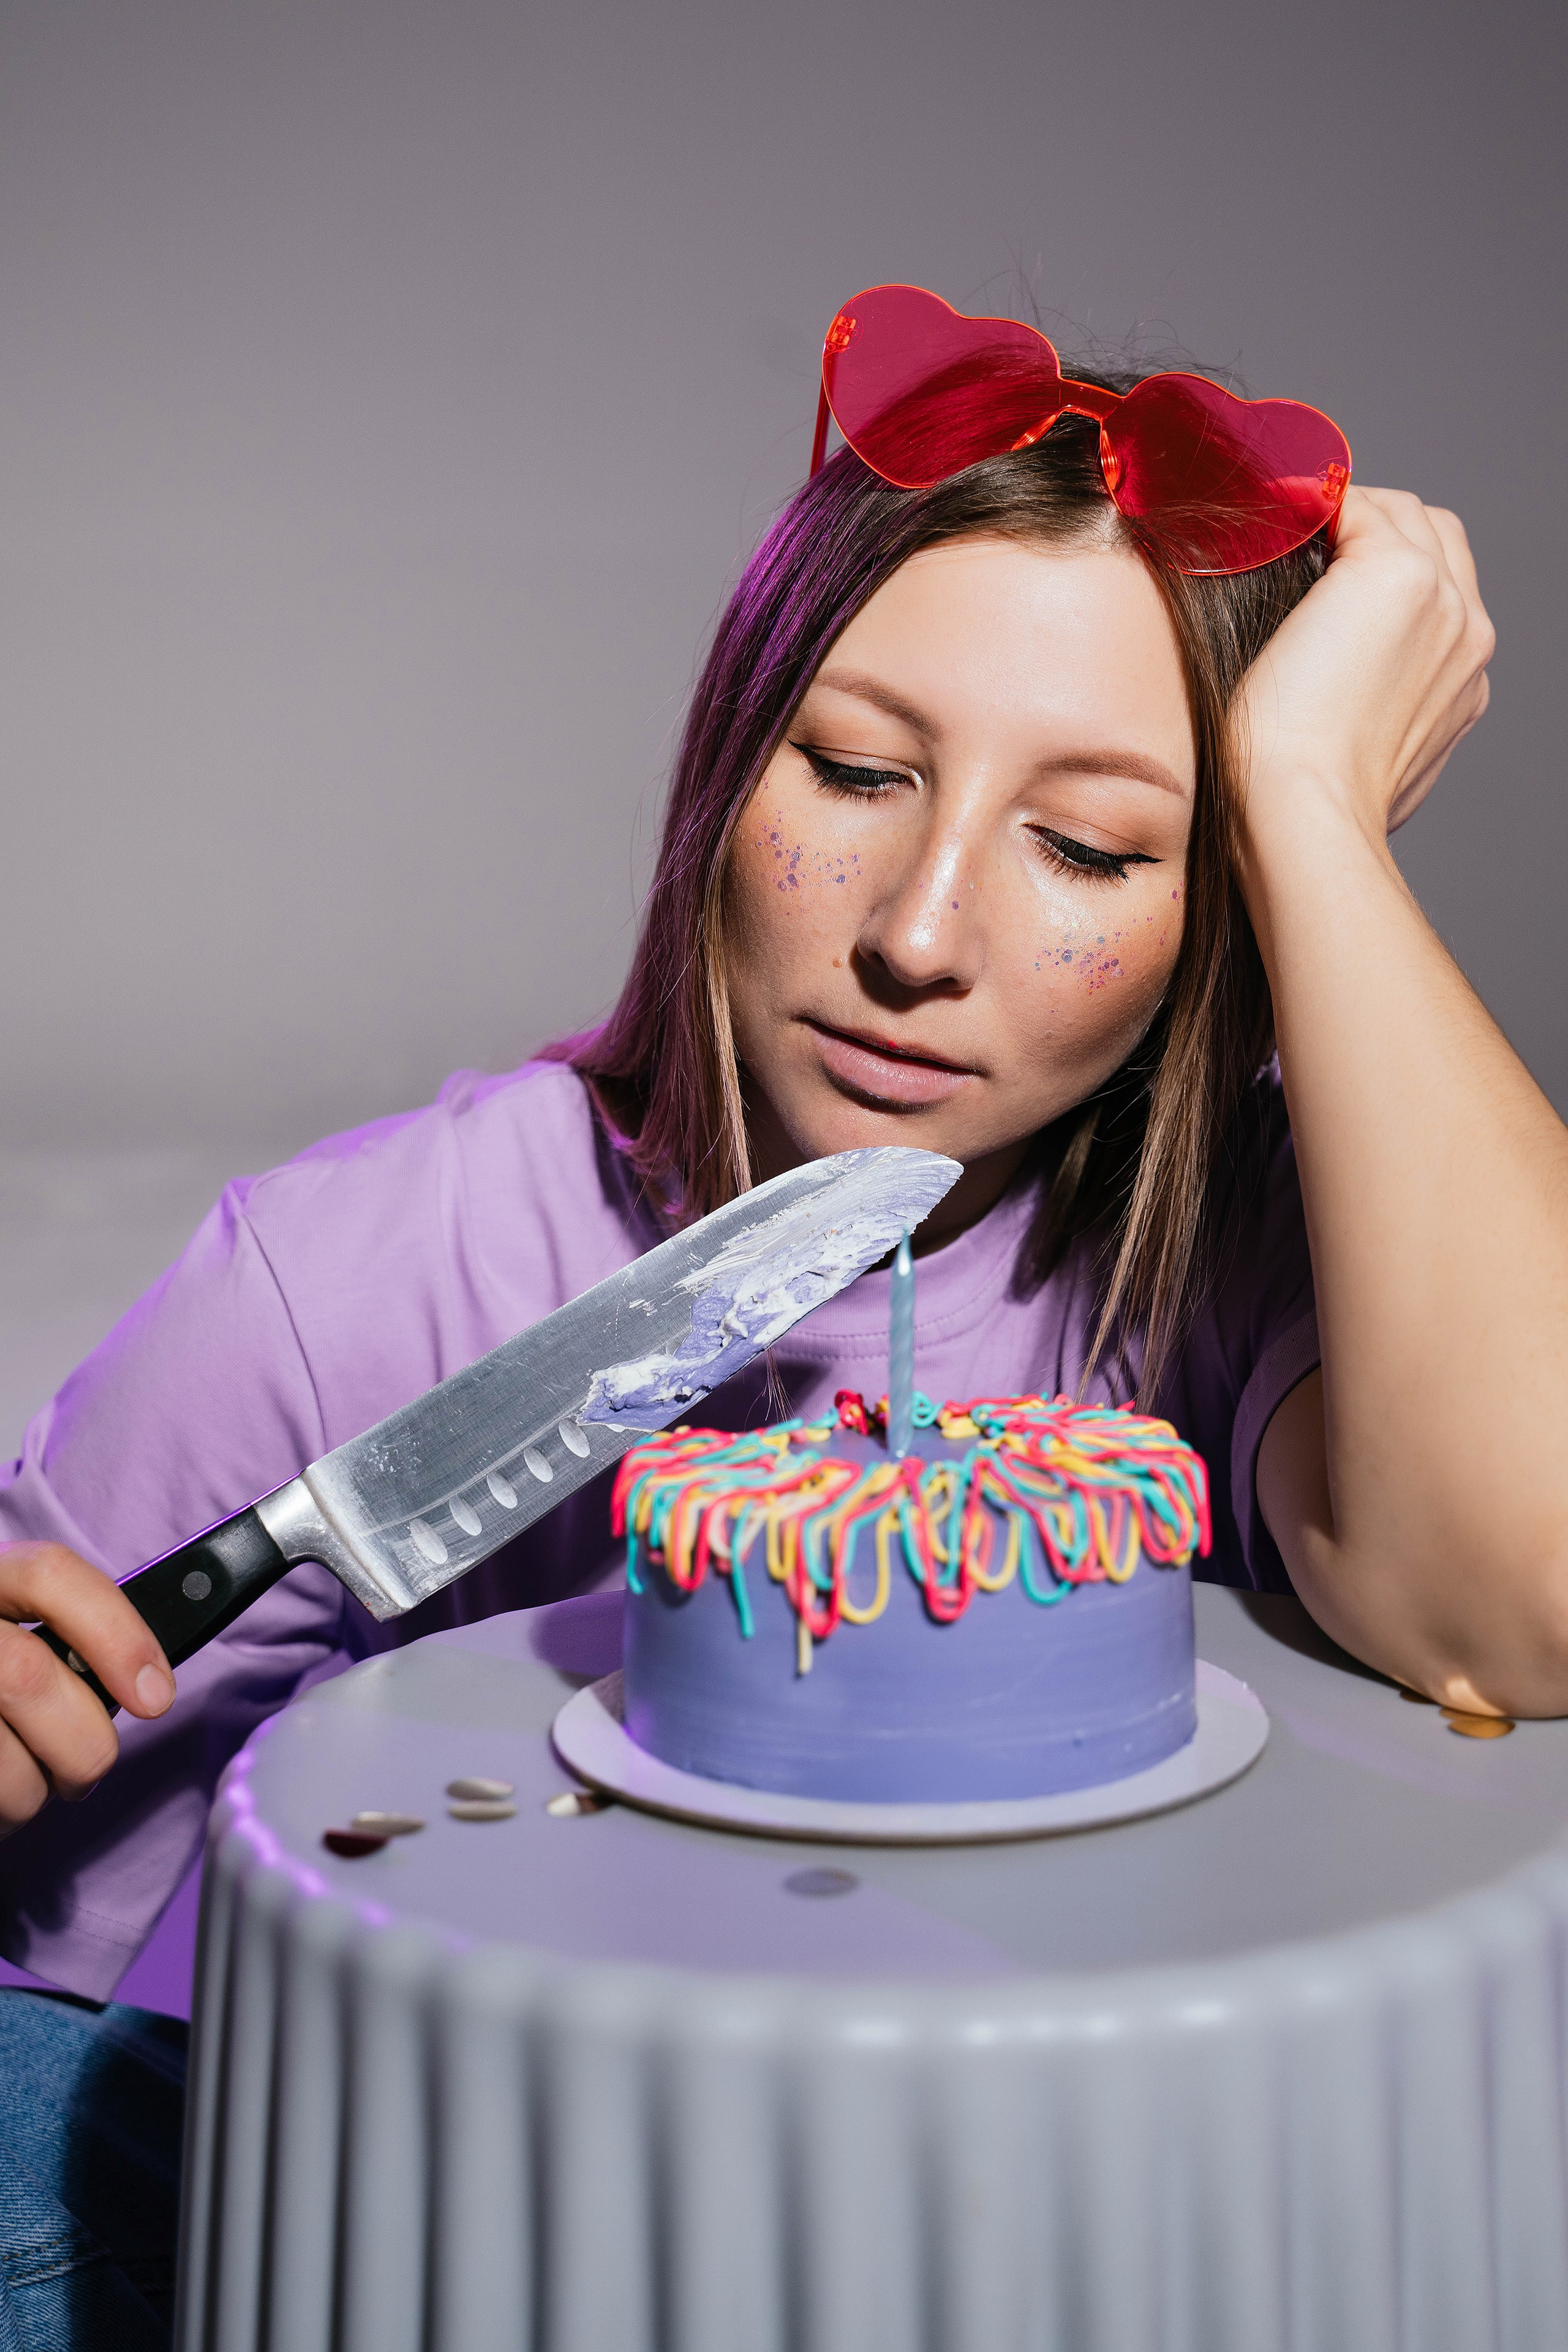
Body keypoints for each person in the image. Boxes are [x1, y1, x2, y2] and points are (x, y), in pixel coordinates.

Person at [2, 283, 1555, 2343]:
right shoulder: (357, 1273)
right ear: (728, 769)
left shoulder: (1268, 1260)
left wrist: (1311, 805)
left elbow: (1527, 1606)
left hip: (1050, 2178)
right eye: (849, 770)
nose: (921, 937)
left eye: (1093, 847)